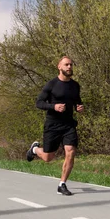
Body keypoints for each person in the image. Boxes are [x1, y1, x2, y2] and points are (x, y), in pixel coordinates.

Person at [26, 56, 84, 196]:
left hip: (68, 124)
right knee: (48, 157)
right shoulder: (51, 84)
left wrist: (79, 107)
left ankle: (62, 184)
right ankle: (34, 150)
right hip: (52, 124)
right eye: (66, 65)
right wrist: (53, 106)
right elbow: (39, 103)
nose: (69, 67)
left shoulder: (75, 85)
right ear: (59, 66)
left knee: (70, 151)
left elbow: (77, 102)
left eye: (71, 64)